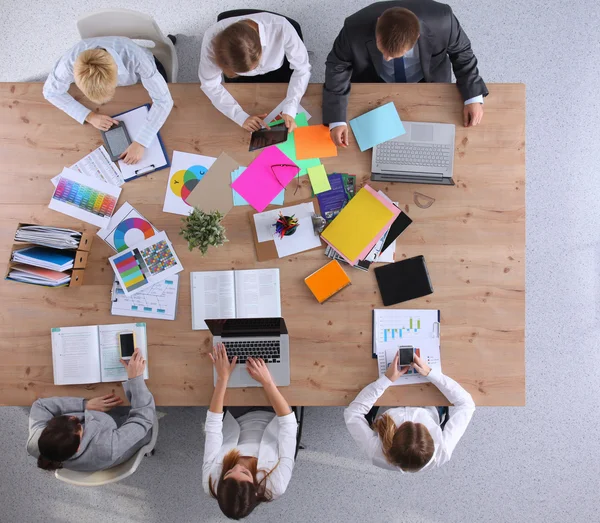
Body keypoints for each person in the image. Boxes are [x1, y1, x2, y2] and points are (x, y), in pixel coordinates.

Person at [324, 1, 489, 147]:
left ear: (417, 37)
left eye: (395, 55)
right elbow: (337, 66)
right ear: (378, 23)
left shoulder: (444, 21)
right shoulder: (353, 27)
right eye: (382, 50)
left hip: (429, 78)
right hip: (375, 79)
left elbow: (463, 54)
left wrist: (473, 98)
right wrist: (337, 119)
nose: (387, 58)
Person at [43, 36, 174, 164]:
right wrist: (89, 116)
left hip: (143, 72)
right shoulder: (67, 64)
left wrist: (141, 142)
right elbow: (50, 92)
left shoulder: (137, 57)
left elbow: (164, 101)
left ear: (116, 74)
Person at [203, 343, 297, 519]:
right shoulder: (276, 484)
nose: (238, 466)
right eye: (245, 473)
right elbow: (289, 425)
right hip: (275, 414)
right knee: (287, 361)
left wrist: (222, 378)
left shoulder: (211, 481)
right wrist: (267, 381)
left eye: (229, 471)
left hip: (238, 416)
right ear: (255, 487)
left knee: (237, 360)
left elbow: (213, 427)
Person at [27, 348, 155, 472]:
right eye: (78, 424)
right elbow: (143, 419)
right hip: (123, 431)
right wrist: (136, 379)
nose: (74, 417)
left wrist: (84, 405)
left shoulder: (36, 443)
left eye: (66, 417)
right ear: (78, 448)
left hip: (105, 420)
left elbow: (40, 406)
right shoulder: (107, 447)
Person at [344, 352, 475, 472]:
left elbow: (352, 414)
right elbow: (467, 405)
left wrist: (386, 380)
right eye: (419, 423)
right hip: (428, 401)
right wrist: (431, 373)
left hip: (387, 402)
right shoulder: (443, 451)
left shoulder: (375, 452)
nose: (412, 419)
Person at [199, 13, 311, 133]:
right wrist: (240, 116)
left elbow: (302, 68)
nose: (253, 71)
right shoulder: (211, 41)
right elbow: (209, 84)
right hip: (240, 81)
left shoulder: (281, 27)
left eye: (254, 66)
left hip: (278, 71)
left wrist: (290, 108)